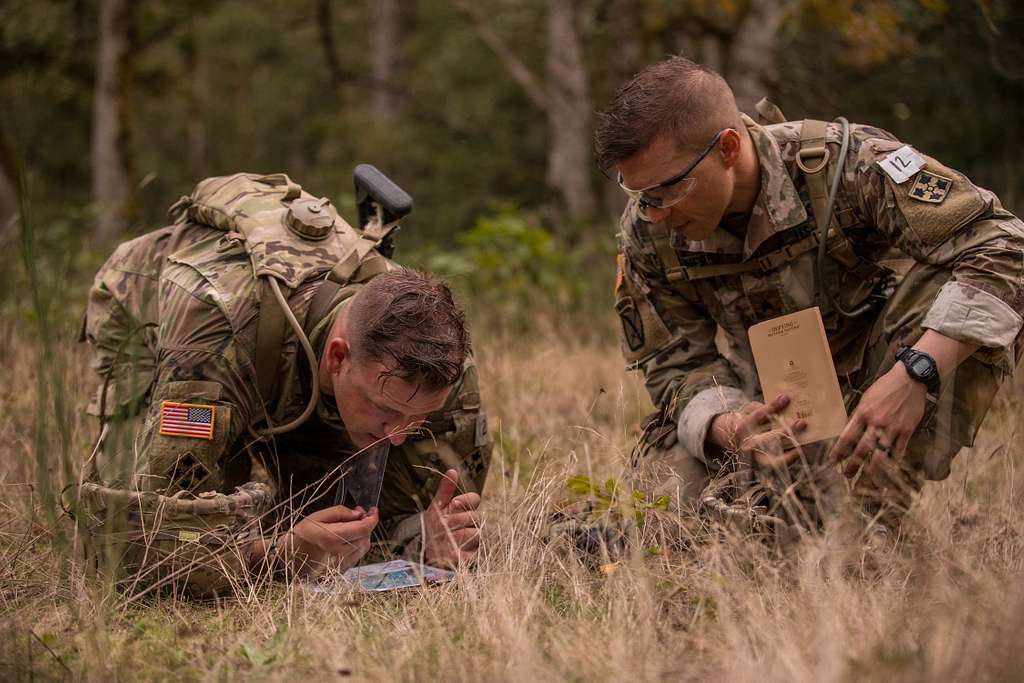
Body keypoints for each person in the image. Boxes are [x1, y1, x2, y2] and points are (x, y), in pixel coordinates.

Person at [594, 57, 1024, 534]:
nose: (653, 214)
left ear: (728, 148)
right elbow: (673, 361)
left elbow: (1006, 246)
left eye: (667, 190)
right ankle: (789, 521)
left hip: (885, 381)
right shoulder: (646, 230)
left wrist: (917, 372)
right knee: (668, 520)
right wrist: (728, 426)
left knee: (954, 291)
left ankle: (866, 515)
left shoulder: (845, 166)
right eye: (640, 196)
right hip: (769, 416)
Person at [74, 172, 491, 596]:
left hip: (294, 353)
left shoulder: (433, 357)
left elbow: (397, 532)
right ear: (338, 357)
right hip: (151, 301)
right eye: (385, 412)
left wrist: (422, 536)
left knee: (327, 514)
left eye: (415, 419)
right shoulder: (214, 335)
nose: (398, 437)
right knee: (193, 504)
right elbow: (145, 546)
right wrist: (279, 553)